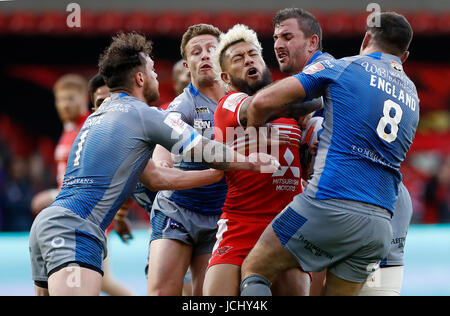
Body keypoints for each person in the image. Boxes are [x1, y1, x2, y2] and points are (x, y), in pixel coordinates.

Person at [29, 31, 279, 296]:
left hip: (46, 225)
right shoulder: (144, 115)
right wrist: (250, 163)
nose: (157, 75)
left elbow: (154, 178)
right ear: (140, 78)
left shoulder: (99, 115)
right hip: (78, 229)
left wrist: (212, 176)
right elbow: (205, 150)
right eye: (151, 70)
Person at [240, 11, 419, 296]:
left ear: (365, 40)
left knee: (256, 269)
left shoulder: (342, 67)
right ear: (404, 56)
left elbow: (261, 103)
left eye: (286, 37)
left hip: (330, 202)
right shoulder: (412, 95)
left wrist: (250, 135)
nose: (278, 44)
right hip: (382, 218)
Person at [202, 24, 311, 296]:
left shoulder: (292, 107)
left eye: (253, 54)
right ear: (226, 78)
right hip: (241, 221)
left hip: (287, 220)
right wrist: (306, 100)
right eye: (238, 59)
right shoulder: (229, 103)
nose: (248, 59)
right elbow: (259, 106)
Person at [147, 24, 230, 296]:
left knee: (206, 296)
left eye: (211, 49)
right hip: (177, 211)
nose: (205, 55)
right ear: (187, 63)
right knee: (163, 292)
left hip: (218, 215)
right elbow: (163, 142)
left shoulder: (239, 102)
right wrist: (162, 162)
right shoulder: (183, 106)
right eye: (197, 52)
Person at [31, 74, 90, 215]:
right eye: (61, 100)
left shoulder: (90, 129)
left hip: (86, 209)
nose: (65, 105)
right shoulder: (69, 130)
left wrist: (54, 196)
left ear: (84, 98)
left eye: (70, 98)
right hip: (69, 205)